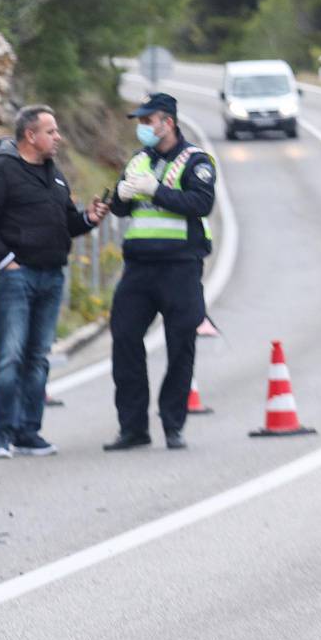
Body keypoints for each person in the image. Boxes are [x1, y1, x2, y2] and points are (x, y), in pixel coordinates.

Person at [0, 104, 108, 459]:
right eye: (51, 131)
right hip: (17, 277)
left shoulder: (55, 175)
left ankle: (29, 432)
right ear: (30, 135)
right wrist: (5, 261)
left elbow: (65, 223)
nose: (58, 137)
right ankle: (0, 435)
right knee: (9, 356)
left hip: (51, 276)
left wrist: (87, 218)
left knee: (38, 357)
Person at [104, 92, 216, 451]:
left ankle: (173, 424)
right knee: (124, 340)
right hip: (139, 268)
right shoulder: (138, 160)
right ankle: (133, 427)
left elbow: (202, 203)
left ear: (167, 121)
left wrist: (158, 191)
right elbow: (122, 211)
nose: (142, 128)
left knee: (180, 346)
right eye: (140, 122)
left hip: (180, 267)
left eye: (147, 121)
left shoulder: (195, 160)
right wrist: (119, 196)